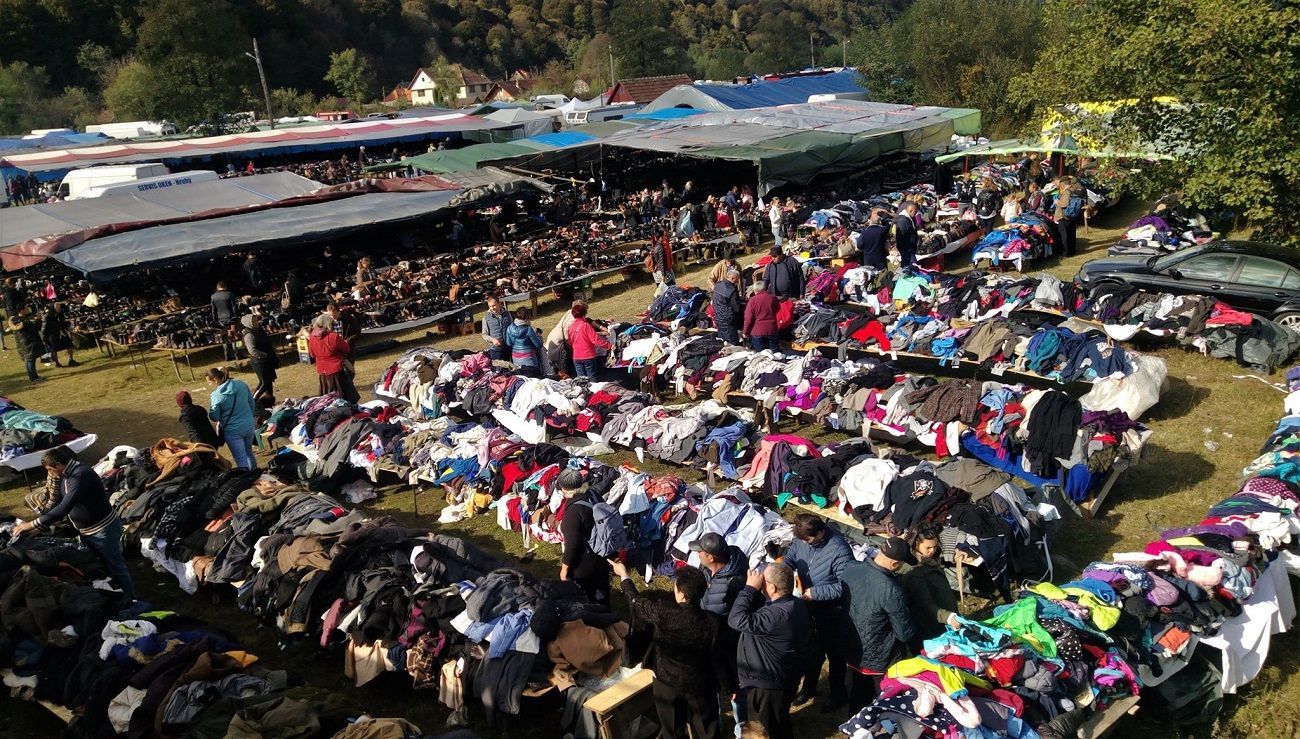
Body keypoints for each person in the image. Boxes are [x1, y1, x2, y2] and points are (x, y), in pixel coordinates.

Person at [611, 559, 725, 739]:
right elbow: (718, 658)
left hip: (667, 681)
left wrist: (624, 576)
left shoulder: (664, 612)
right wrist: (729, 685)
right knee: (707, 730)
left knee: (672, 730)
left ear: (680, 593)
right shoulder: (713, 622)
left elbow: (636, 602)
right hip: (700, 683)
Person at [11, 447, 134, 600]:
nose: (49, 473)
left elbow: (65, 507)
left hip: (102, 529)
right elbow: (57, 503)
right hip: (88, 531)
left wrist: (31, 525)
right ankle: (117, 594)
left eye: (50, 469)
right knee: (101, 564)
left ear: (58, 464)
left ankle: (130, 598)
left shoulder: (80, 475)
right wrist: (39, 528)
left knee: (115, 565)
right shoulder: (65, 475)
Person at [727, 561, 810, 739]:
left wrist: (749, 589)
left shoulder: (775, 615)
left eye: (763, 582)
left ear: (772, 588)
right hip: (784, 677)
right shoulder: (797, 605)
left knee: (766, 730)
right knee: (779, 720)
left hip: (768, 686)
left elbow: (736, 619)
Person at [785, 514, 854, 712]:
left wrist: (816, 593)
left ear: (821, 531)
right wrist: (783, 569)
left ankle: (838, 694)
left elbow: (846, 585)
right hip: (808, 606)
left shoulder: (839, 549)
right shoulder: (800, 540)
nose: (805, 543)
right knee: (812, 651)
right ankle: (808, 688)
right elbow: (791, 557)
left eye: (809, 539)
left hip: (832, 610)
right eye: (803, 540)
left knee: (835, 655)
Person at [838, 537, 917, 705]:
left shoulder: (851, 568)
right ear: (895, 564)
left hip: (852, 647)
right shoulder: (891, 590)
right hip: (880, 658)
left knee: (858, 693)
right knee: (882, 700)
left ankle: (854, 724)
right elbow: (904, 633)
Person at [693, 532, 748, 737]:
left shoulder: (735, 583)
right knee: (711, 687)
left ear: (711, 557)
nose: (697, 554)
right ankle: (716, 727)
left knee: (736, 690)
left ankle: (742, 728)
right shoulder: (705, 571)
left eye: (700, 552)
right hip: (708, 642)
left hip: (729, 645)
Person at [557, 468, 611, 606]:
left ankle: (592, 620)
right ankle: (607, 616)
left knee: (585, 596)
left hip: (584, 562)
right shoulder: (592, 493)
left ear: (564, 488)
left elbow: (572, 545)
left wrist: (565, 569)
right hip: (602, 551)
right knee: (602, 592)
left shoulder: (573, 512)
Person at [899, 527, 959, 641]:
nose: (933, 550)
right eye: (928, 547)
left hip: (944, 616)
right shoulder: (914, 572)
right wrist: (949, 617)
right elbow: (925, 604)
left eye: (935, 546)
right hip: (933, 625)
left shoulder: (931, 559)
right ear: (916, 545)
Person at [206, 367, 257, 471]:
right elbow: (252, 404)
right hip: (248, 425)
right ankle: (256, 473)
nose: (208, 384)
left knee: (240, 458)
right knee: (249, 453)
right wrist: (248, 417)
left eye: (209, 382)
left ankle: (248, 480)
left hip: (232, 431)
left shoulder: (216, 395)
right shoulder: (241, 384)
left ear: (215, 379)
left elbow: (214, 417)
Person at [308, 314, 360, 403]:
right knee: (343, 398)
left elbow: (312, 355)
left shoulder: (312, 338)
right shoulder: (333, 336)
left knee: (327, 400)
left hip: (323, 372)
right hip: (337, 371)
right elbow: (346, 348)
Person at [566, 303, 611, 379]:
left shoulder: (571, 327)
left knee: (581, 380)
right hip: (588, 356)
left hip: (576, 357)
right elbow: (595, 340)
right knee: (592, 378)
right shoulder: (586, 325)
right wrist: (609, 346)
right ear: (584, 314)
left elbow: (570, 342)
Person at [241, 314, 279, 405]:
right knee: (264, 383)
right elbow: (252, 350)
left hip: (267, 360)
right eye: (254, 321)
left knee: (269, 381)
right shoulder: (249, 334)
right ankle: (253, 402)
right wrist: (265, 355)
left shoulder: (259, 330)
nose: (256, 322)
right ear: (248, 323)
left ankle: (269, 401)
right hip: (259, 362)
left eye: (256, 320)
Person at [544, 300, 584, 378]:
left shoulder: (569, 313)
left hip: (552, 341)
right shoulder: (574, 319)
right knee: (566, 365)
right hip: (559, 345)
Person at [743, 281, 781, 353]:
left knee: (761, 355)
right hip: (772, 329)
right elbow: (777, 309)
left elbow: (748, 318)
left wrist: (745, 332)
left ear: (755, 290)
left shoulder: (752, 300)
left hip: (757, 331)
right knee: (776, 354)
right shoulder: (773, 298)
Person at [505, 308, 543, 377]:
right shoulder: (528, 329)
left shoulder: (509, 328)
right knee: (533, 379)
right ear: (527, 317)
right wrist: (539, 336)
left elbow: (509, 343)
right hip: (529, 359)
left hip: (516, 358)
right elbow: (538, 345)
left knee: (521, 378)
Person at [712, 268, 744, 345]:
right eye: (737, 280)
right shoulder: (731, 289)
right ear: (733, 278)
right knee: (733, 342)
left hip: (718, 317)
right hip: (728, 319)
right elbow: (736, 307)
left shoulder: (718, 285)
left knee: (723, 342)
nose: (737, 282)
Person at [1053, 178, 1084, 257]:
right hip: (1072, 215)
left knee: (1064, 235)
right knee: (1071, 234)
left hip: (1064, 216)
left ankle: (1065, 253)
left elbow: (1064, 204)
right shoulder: (1074, 190)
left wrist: (1057, 202)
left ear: (1063, 184)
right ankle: (1072, 252)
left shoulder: (1067, 191)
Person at [40, 302, 76, 367]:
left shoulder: (60, 314)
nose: (59, 309)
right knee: (54, 350)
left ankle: (71, 360)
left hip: (62, 333)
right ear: (53, 308)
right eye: (57, 307)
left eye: (59, 307)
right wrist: (44, 339)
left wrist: (67, 328)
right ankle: (57, 363)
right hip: (52, 335)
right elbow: (43, 329)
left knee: (69, 345)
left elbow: (63, 323)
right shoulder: (47, 316)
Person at [211, 281, 239, 360]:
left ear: (217, 288)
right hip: (231, 318)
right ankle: (237, 354)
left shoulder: (213, 296)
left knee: (224, 336)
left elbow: (213, 310)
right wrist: (236, 316)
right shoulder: (229, 294)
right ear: (225, 287)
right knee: (233, 335)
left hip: (221, 319)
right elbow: (234, 307)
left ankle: (227, 355)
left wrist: (215, 320)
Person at [481, 295, 511, 363]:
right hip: (495, 350)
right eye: (490, 306)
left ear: (499, 303)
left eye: (494, 305)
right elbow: (484, 334)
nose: (492, 308)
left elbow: (512, 328)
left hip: (508, 347)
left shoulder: (507, 314)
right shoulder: (486, 317)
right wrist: (492, 340)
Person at [893, 202, 919, 267]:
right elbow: (900, 237)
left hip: (910, 248)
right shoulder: (903, 221)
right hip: (907, 249)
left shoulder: (909, 218)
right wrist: (904, 249)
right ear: (910, 210)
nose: (916, 213)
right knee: (912, 266)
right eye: (915, 212)